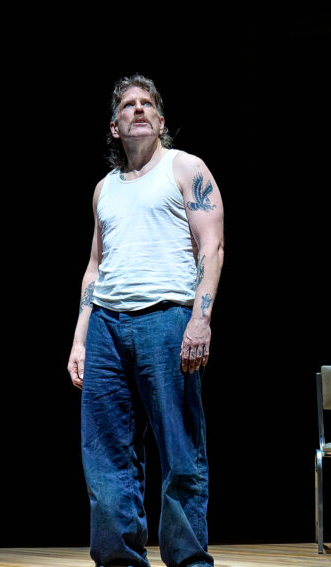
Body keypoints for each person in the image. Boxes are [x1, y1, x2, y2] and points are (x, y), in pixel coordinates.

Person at [67, 74, 224, 567]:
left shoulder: (185, 168)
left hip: (167, 319)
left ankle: (187, 560)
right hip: (108, 326)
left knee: (179, 451)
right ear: (113, 126)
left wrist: (201, 320)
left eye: (146, 103)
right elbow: (95, 265)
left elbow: (212, 248)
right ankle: (119, 560)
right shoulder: (104, 189)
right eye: (127, 106)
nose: (138, 110)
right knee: (106, 455)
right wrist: (80, 340)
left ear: (159, 119)